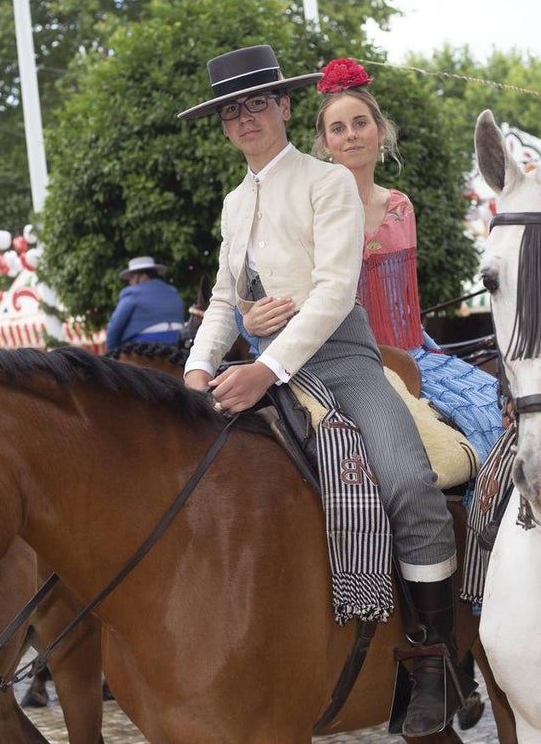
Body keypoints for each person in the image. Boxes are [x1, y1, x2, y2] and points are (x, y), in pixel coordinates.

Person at [177, 44, 462, 736]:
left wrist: (266, 364)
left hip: (340, 359)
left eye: (256, 103)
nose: (245, 118)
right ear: (223, 124)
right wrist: (194, 372)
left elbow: (336, 291)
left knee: (406, 481)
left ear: (281, 106)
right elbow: (223, 298)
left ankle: (434, 665)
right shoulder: (233, 202)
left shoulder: (326, 182)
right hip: (259, 363)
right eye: (231, 110)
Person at [240, 58, 504, 463]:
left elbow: (404, 300)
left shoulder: (400, 205)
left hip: (413, 354)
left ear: (380, 131)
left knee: (492, 413)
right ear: (324, 143)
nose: (351, 136)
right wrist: (251, 320)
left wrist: (423, 345)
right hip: (346, 358)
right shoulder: (307, 210)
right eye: (338, 129)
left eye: (360, 123)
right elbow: (278, 289)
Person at [103, 255, 185, 352]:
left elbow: (114, 327)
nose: (130, 282)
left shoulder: (132, 293)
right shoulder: (173, 291)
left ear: (143, 277)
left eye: (132, 277)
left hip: (145, 344)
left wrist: (109, 353)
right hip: (177, 342)